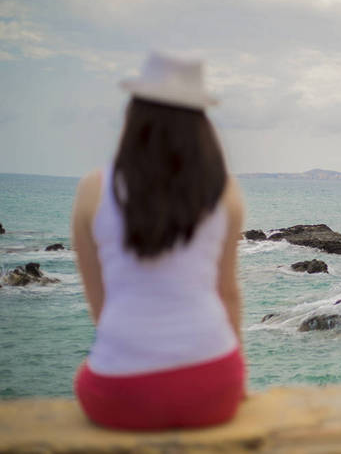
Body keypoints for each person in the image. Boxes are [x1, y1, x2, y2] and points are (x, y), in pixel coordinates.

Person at [71, 52, 246, 430]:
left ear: (135, 116)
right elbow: (227, 293)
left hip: (119, 393)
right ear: (201, 124)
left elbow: (99, 303)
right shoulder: (225, 192)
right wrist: (236, 382)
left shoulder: (92, 190)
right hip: (214, 386)